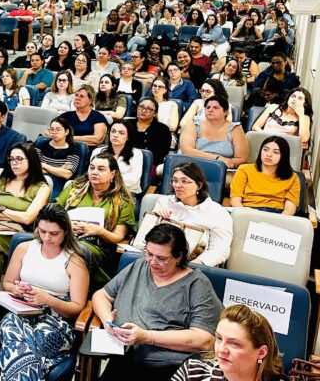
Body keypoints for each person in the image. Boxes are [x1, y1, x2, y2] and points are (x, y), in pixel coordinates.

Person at [92, 224, 222, 381]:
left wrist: (147, 337)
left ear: (179, 256)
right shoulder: (139, 265)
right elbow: (102, 295)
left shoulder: (196, 284)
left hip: (168, 367)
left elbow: (204, 340)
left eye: (161, 258)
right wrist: (107, 320)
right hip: (124, 357)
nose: (152, 262)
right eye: (149, 253)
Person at [0, 204, 90, 380]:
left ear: (66, 232)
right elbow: (7, 283)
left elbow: (77, 308)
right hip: (21, 313)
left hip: (55, 321)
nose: (46, 238)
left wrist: (48, 299)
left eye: (54, 234)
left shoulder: (74, 261)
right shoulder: (24, 248)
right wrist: (17, 288)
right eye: (42, 231)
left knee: (21, 347)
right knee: (9, 324)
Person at [56, 153, 136, 287]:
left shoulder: (123, 201)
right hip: (67, 236)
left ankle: (71, 293)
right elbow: (53, 214)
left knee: (78, 248)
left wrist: (99, 231)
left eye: (101, 169)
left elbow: (117, 236)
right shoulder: (74, 189)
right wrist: (66, 224)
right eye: (92, 168)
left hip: (99, 247)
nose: (94, 172)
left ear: (112, 174)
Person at [134, 161, 232, 267]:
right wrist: (155, 218)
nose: (177, 185)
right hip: (156, 260)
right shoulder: (164, 202)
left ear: (199, 186)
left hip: (193, 265)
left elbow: (220, 250)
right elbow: (148, 240)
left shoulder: (218, 213)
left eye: (184, 181)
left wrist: (194, 265)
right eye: (175, 180)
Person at [0, 142, 52, 279]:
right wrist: (15, 215)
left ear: (31, 160)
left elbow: (28, 219)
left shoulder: (42, 188)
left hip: (19, 235)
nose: (14, 163)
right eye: (11, 159)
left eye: (19, 159)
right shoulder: (1, 182)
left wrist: (1, 209)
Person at [171, 304, 284, 381]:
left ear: (261, 352)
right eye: (219, 339)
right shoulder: (192, 372)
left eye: (234, 344)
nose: (221, 350)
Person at [230, 135, 299, 215]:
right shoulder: (244, 170)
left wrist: (278, 223)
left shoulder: (292, 177)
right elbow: (235, 200)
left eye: (276, 152)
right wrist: (245, 216)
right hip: (247, 210)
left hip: (276, 215)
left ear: (283, 156)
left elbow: (289, 209)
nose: (269, 155)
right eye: (265, 150)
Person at [178, 96, 248, 170]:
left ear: (226, 112)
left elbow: (241, 158)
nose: (210, 110)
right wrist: (217, 159)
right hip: (191, 165)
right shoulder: (194, 123)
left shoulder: (235, 129)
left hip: (220, 169)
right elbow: (187, 150)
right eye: (208, 107)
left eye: (215, 108)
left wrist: (226, 163)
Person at [92, 121, 145, 195]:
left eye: (121, 133)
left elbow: (132, 180)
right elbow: (91, 174)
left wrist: (105, 180)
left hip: (126, 193)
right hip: (100, 191)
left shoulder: (136, 154)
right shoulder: (98, 151)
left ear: (128, 137)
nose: (115, 135)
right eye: (113, 131)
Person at [36, 117, 81, 195]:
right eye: (52, 129)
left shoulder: (73, 149)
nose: (54, 132)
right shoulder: (41, 145)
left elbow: (67, 174)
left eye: (58, 129)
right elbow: (33, 168)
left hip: (59, 184)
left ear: (66, 132)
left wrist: (43, 165)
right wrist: (60, 169)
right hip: (38, 180)